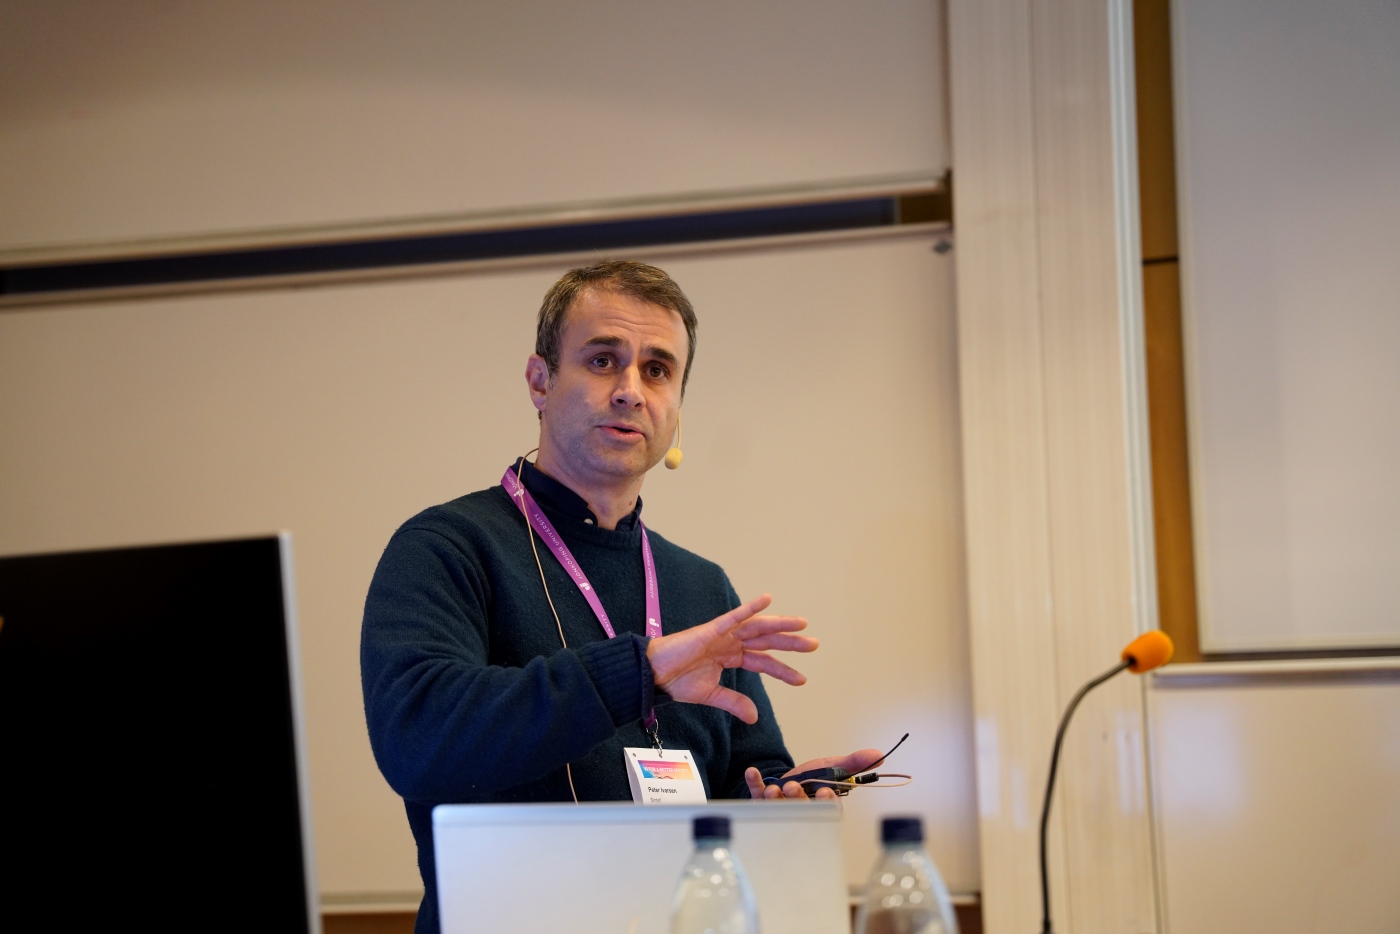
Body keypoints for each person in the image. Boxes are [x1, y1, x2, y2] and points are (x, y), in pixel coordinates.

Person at [361, 259, 881, 933]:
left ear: (677, 407)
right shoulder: (448, 547)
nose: (631, 391)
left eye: (657, 370)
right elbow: (418, 740)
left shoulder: (700, 584)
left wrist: (778, 801)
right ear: (540, 381)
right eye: (603, 361)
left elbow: (746, 775)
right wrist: (642, 671)